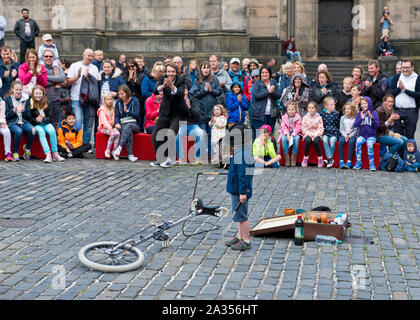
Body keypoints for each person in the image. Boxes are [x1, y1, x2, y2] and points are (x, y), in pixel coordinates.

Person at [150, 63, 190, 168]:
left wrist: (172, 86)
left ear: (176, 72)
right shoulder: (163, 78)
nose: (170, 74)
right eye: (168, 71)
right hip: (165, 112)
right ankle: (160, 158)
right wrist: (163, 86)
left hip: (178, 113)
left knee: (171, 134)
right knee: (155, 136)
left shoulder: (181, 81)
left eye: (172, 72)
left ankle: (170, 159)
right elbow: (155, 91)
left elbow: (180, 94)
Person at [225, 123, 254, 251]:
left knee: (242, 216)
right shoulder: (240, 152)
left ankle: (246, 240)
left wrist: (243, 192)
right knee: (238, 215)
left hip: (240, 191)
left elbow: (243, 176)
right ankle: (239, 236)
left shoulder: (243, 155)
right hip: (236, 190)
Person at [66, 48, 99, 145]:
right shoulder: (75, 65)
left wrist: (89, 79)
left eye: (92, 56)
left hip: (90, 100)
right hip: (76, 98)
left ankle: (85, 145)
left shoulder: (95, 68)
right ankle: (76, 144)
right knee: (78, 122)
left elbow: (95, 85)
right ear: (83, 55)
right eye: (88, 55)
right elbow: (68, 82)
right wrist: (78, 76)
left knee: (89, 124)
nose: (90, 58)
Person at [190, 61, 223, 154]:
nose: (206, 69)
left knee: (212, 134)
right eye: (204, 67)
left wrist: (211, 90)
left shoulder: (215, 80)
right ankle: (199, 154)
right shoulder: (197, 81)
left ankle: (211, 153)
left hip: (212, 111)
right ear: (200, 69)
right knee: (202, 133)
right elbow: (194, 94)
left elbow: (219, 92)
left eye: (208, 67)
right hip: (202, 111)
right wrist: (204, 90)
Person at [28, 85, 65, 163]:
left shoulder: (47, 102)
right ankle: (48, 154)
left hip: (46, 122)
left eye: (40, 93)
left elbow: (51, 117)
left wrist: (43, 119)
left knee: (52, 131)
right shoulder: (30, 103)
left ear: (43, 94)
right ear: (33, 94)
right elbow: (29, 118)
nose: (38, 95)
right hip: (36, 124)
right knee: (41, 132)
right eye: (36, 93)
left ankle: (55, 153)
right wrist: (36, 120)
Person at [389, 60, 420, 140]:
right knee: (397, 137)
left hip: (411, 111)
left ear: (412, 67)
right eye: (403, 67)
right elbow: (391, 93)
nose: (405, 69)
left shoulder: (417, 78)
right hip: (398, 111)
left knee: (410, 136)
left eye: (407, 67)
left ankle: (409, 152)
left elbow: (418, 94)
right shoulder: (397, 77)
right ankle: (399, 153)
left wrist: (406, 90)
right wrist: (399, 89)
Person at [249, 66, 282, 138]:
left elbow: (278, 95)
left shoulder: (273, 82)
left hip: (271, 114)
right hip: (259, 115)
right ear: (260, 74)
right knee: (259, 137)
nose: (264, 74)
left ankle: (269, 149)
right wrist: (268, 91)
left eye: (266, 72)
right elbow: (256, 96)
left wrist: (272, 92)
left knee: (269, 137)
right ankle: (258, 149)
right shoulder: (257, 83)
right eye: (262, 72)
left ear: (269, 74)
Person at [4, 81, 34, 161]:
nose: (18, 91)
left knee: (32, 130)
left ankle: (27, 149)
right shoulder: (8, 99)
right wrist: (14, 110)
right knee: (18, 131)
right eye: (16, 89)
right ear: (12, 89)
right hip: (12, 121)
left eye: (20, 89)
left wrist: (24, 111)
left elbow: (29, 116)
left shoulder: (26, 99)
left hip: (23, 121)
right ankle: (15, 152)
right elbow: (6, 116)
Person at [175, 88, 206, 165]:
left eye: (184, 90)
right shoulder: (176, 101)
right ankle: (181, 158)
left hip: (193, 124)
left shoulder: (194, 100)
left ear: (187, 91)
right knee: (179, 135)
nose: (183, 92)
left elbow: (197, 115)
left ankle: (197, 158)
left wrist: (189, 108)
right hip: (182, 124)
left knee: (201, 134)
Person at [112, 85, 140, 162]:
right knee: (128, 131)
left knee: (129, 126)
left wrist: (128, 112)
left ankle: (119, 147)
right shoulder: (118, 102)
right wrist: (117, 122)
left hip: (133, 123)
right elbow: (117, 115)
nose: (120, 96)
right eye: (119, 94)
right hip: (123, 124)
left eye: (122, 94)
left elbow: (137, 115)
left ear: (127, 93)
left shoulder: (135, 101)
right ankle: (130, 155)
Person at [353, 96, 380, 171]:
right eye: (362, 104)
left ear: (369, 104)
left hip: (371, 136)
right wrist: (360, 119)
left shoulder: (374, 113)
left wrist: (372, 118)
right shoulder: (360, 113)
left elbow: (377, 126)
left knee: (370, 143)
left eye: (365, 103)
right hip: (362, 135)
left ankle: (371, 163)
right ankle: (358, 162)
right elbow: (355, 125)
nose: (363, 105)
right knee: (358, 142)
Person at [42, 48, 66, 129]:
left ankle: (57, 141)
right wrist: (55, 80)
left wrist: (46, 77)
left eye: (50, 56)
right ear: (42, 57)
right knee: (45, 122)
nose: (48, 58)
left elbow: (62, 78)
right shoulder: (40, 68)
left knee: (57, 123)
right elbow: (42, 82)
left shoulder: (58, 68)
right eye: (46, 56)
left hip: (55, 99)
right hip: (43, 100)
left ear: (53, 57)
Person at [278, 102, 302, 167]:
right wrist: (287, 134)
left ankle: (294, 157)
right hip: (286, 132)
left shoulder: (298, 117)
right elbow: (283, 127)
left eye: (292, 110)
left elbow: (298, 128)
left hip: (295, 133)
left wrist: (292, 135)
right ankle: (287, 157)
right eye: (289, 109)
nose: (291, 111)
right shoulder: (284, 117)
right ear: (287, 110)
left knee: (296, 139)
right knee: (283, 138)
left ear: (295, 110)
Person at [97, 92, 120, 160]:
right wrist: (110, 127)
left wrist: (112, 123)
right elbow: (104, 121)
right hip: (103, 128)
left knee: (118, 133)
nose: (109, 101)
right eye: (107, 99)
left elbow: (113, 120)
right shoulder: (102, 110)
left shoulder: (112, 109)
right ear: (104, 100)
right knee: (114, 133)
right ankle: (107, 150)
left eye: (110, 99)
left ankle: (114, 150)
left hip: (111, 127)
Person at [301, 101, 324, 168]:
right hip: (308, 133)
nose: (311, 109)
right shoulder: (305, 118)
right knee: (308, 141)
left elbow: (320, 128)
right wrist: (310, 134)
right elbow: (303, 128)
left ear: (316, 109)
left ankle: (320, 158)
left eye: (312, 108)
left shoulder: (319, 118)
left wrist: (314, 135)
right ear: (307, 109)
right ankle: (305, 157)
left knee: (316, 141)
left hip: (317, 134)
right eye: (309, 108)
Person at [320, 97, 340, 168]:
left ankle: (329, 159)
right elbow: (321, 124)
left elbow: (337, 124)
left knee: (332, 141)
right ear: (326, 106)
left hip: (334, 132)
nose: (334, 106)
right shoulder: (322, 114)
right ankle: (330, 158)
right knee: (324, 140)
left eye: (334, 104)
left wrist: (337, 133)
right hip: (325, 132)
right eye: (331, 105)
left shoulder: (336, 114)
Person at [338, 103, 358, 169]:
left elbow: (355, 130)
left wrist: (349, 136)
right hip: (344, 134)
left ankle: (349, 161)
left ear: (352, 110)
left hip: (352, 135)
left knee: (351, 142)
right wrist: (345, 135)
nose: (346, 110)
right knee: (341, 141)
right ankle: (341, 161)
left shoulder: (355, 118)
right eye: (345, 109)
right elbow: (341, 129)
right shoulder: (342, 118)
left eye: (348, 109)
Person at [0, 96, 13, 161]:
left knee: (6, 131)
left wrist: (2, 122)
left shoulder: (2, 102)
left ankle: (8, 153)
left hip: (0, 123)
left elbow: (2, 114)